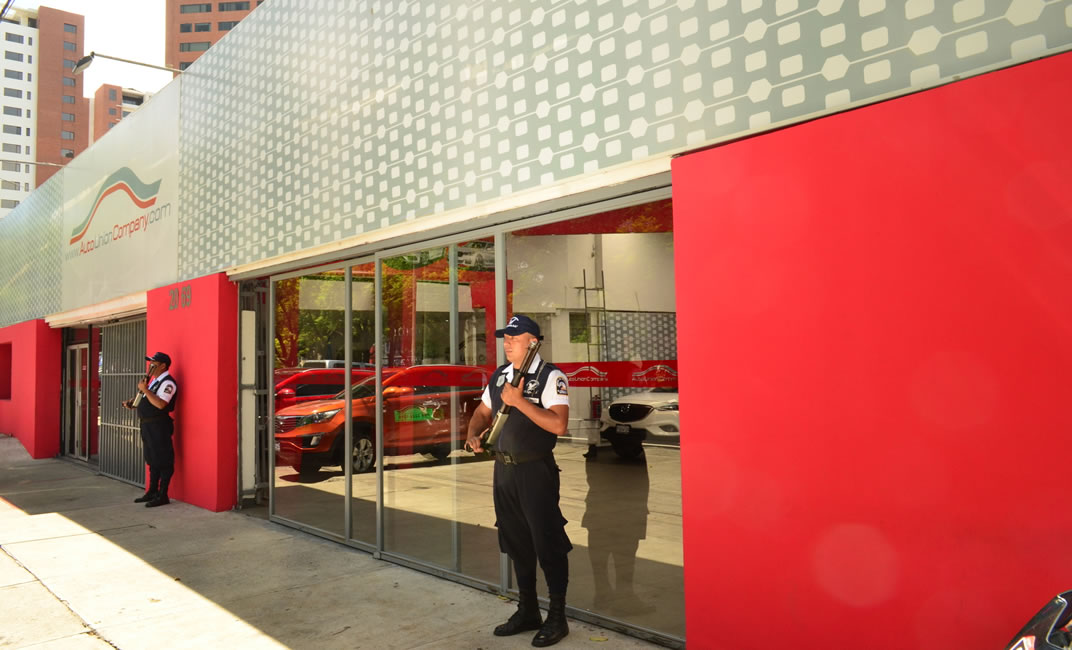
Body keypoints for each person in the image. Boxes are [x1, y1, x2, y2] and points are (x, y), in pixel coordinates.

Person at [466, 315, 573, 647]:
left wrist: (519, 402)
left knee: (547, 541)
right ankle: (528, 610)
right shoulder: (500, 375)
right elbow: (482, 412)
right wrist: (472, 433)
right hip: (504, 470)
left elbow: (559, 425)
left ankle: (557, 617)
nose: (507, 343)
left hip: (535, 471)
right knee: (516, 541)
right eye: (506, 338)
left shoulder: (550, 376)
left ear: (533, 342)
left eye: (514, 338)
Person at [122, 351, 178, 508]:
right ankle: (152, 491)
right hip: (148, 425)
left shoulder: (168, 383)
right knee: (152, 458)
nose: (150, 366)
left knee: (163, 459)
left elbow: (160, 404)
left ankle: (163, 494)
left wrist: (145, 389)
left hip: (159, 425)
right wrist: (133, 403)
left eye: (154, 363)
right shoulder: (153, 381)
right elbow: (148, 399)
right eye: (150, 362)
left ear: (163, 366)